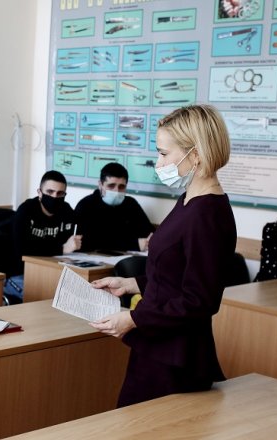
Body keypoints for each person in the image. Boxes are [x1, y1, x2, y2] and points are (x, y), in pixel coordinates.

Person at [88, 105, 237, 407]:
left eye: (164, 154)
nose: (159, 162)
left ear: (195, 154)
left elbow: (200, 300)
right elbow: (177, 272)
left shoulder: (206, 213)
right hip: (157, 344)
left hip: (176, 356)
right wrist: (133, 284)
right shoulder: (189, 200)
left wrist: (132, 317)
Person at [7, 170, 81, 302]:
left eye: (60, 193)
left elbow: (72, 244)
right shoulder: (26, 211)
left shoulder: (66, 210)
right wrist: (61, 248)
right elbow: (23, 250)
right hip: (22, 274)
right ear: (39, 192)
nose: (54, 197)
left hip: (54, 273)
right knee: (51, 298)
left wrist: (76, 244)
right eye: (50, 192)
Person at [74, 162, 155, 252]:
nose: (116, 190)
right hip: (95, 258)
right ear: (100, 185)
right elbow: (86, 241)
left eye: (121, 187)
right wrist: (134, 244)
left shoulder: (131, 204)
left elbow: (149, 232)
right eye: (111, 186)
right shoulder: (86, 205)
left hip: (128, 258)